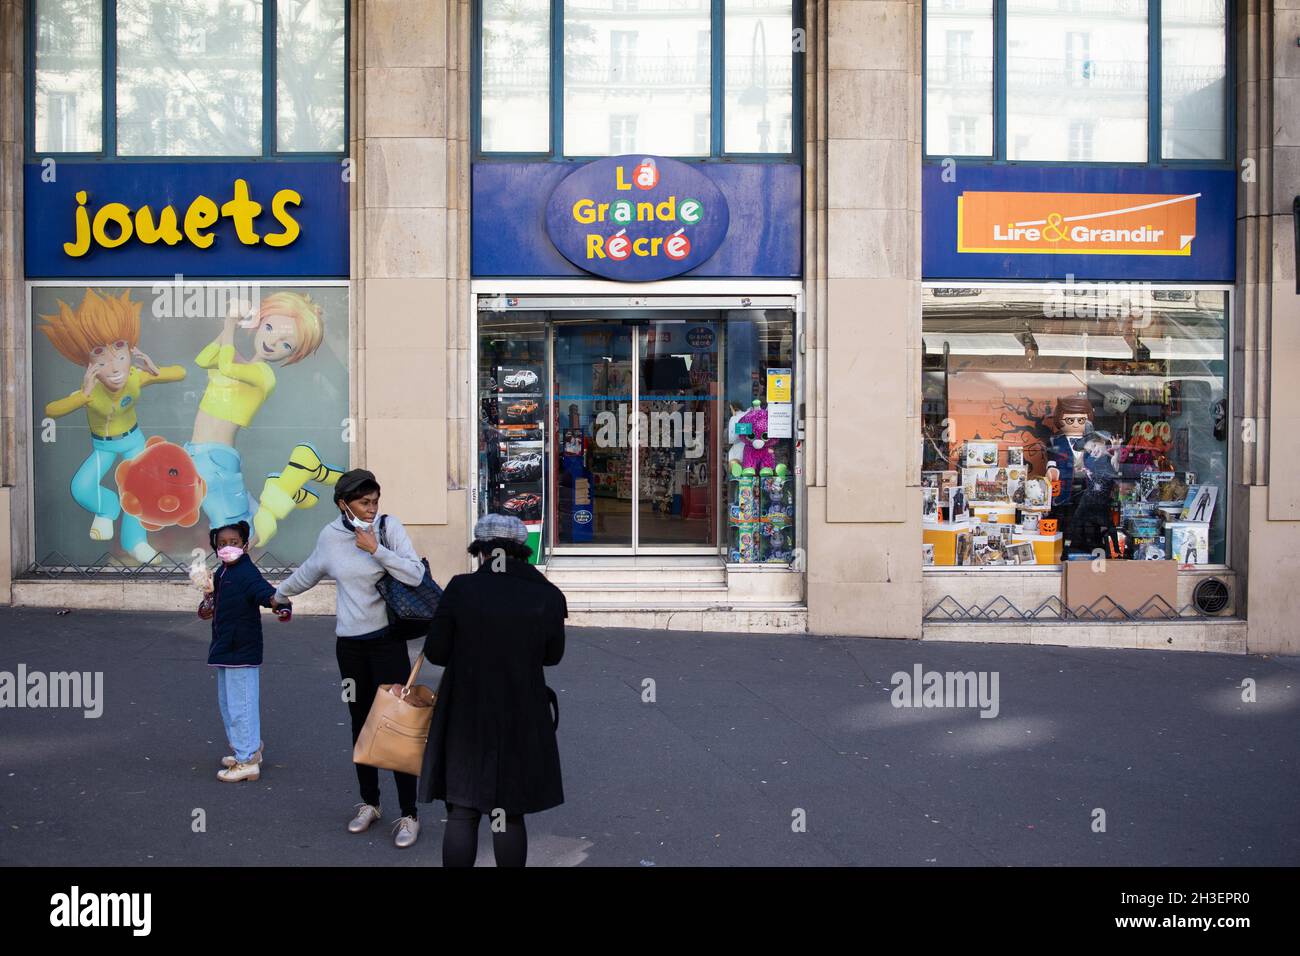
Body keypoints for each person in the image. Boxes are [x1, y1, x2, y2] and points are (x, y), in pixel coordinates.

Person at [271, 469, 427, 849]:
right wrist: (277, 594)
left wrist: (377, 549)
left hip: (388, 643)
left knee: (397, 725)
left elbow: (416, 574)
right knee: (360, 724)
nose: (372, 509)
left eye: (375, 500)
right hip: (350, 648)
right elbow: (310, 571)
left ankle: (409, 814)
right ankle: (369, 803)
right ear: (344, 504)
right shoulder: (330, 536)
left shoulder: (389, 528)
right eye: (363, 502)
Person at [419, 514, 566, 868]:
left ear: (481, 551)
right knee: (510, 812)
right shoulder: (544, 595)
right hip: (521, 710)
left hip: (465, 712)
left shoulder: (461, 589)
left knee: (462, 811)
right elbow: (553, 656)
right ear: (521, 551)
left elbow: (436, 652)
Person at [198, 521, 282, 783]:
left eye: (233, 543)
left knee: (241, 705)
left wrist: (280, 604)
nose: (227, 548)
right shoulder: (222, 573)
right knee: (229, 703)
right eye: (222, 544)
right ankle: (247, 750)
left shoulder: (246, 572)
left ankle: (246, 761)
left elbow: (265, 592)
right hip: (225, 648)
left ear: (245, 546)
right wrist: (207, 603)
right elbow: (210, 607)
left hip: (242, 651)